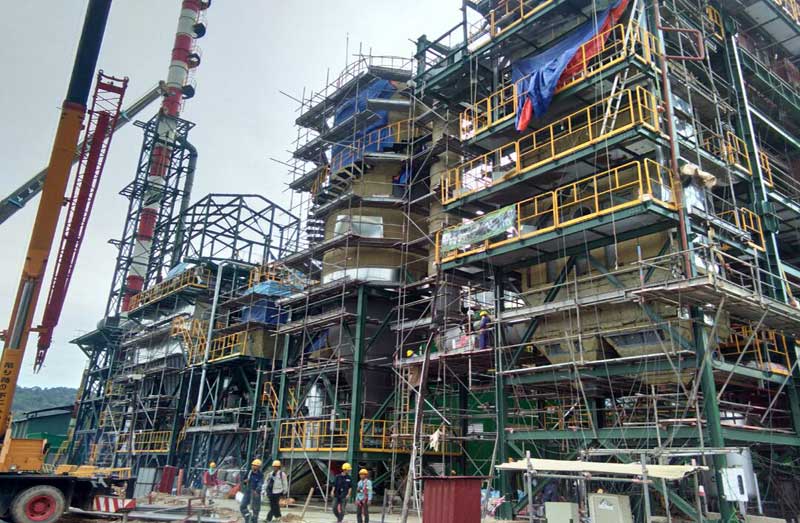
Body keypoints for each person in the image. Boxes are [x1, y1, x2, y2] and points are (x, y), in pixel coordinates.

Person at [240, 459, 264, 523]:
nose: (253, 466)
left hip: (256, 493)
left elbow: (260, 483)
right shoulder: (249, 473)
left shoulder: (260, 475)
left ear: (258, 467)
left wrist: (257, 490)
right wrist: (245, 481)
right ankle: (247, 518)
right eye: (253, 465)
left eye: (255, 465)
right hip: (248, 491)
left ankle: (254, 520)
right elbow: (243, 480)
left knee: (256, 509)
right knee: (242, 506)